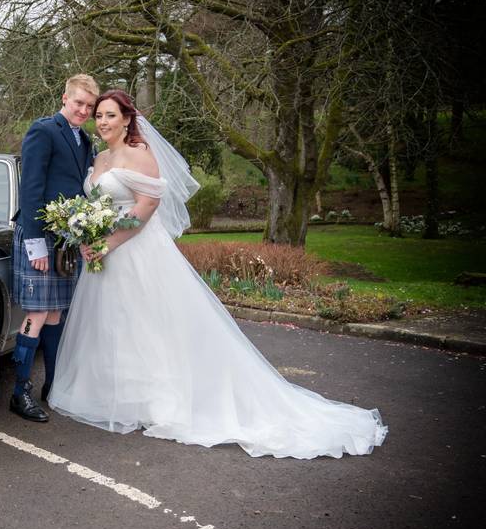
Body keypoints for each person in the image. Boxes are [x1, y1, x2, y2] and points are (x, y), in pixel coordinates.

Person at [47, 90, 388, 458]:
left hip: (137, 253)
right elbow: (98, 205)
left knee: (150, 325)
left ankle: (161, 401)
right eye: (99, 115)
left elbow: (146, 208)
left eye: (110, 115)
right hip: (104, 257)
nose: (102, 121)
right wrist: (92, 236)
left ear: (127, 119)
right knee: (115, 325)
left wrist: (109, 243)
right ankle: (119, 395)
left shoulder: (140, 154)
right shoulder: (99, 157)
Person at [10, 74, 99, 422]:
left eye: (89, 107)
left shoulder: (85, 139)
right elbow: (30, 188)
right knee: (37, 314)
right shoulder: (43, 131)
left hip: (66, 239)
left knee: (57, 313)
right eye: (79, 103)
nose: (83, 110)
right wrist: (35, 245)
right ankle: (20, 393)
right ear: (65, 98)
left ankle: (52, 386)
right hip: (40, 238)